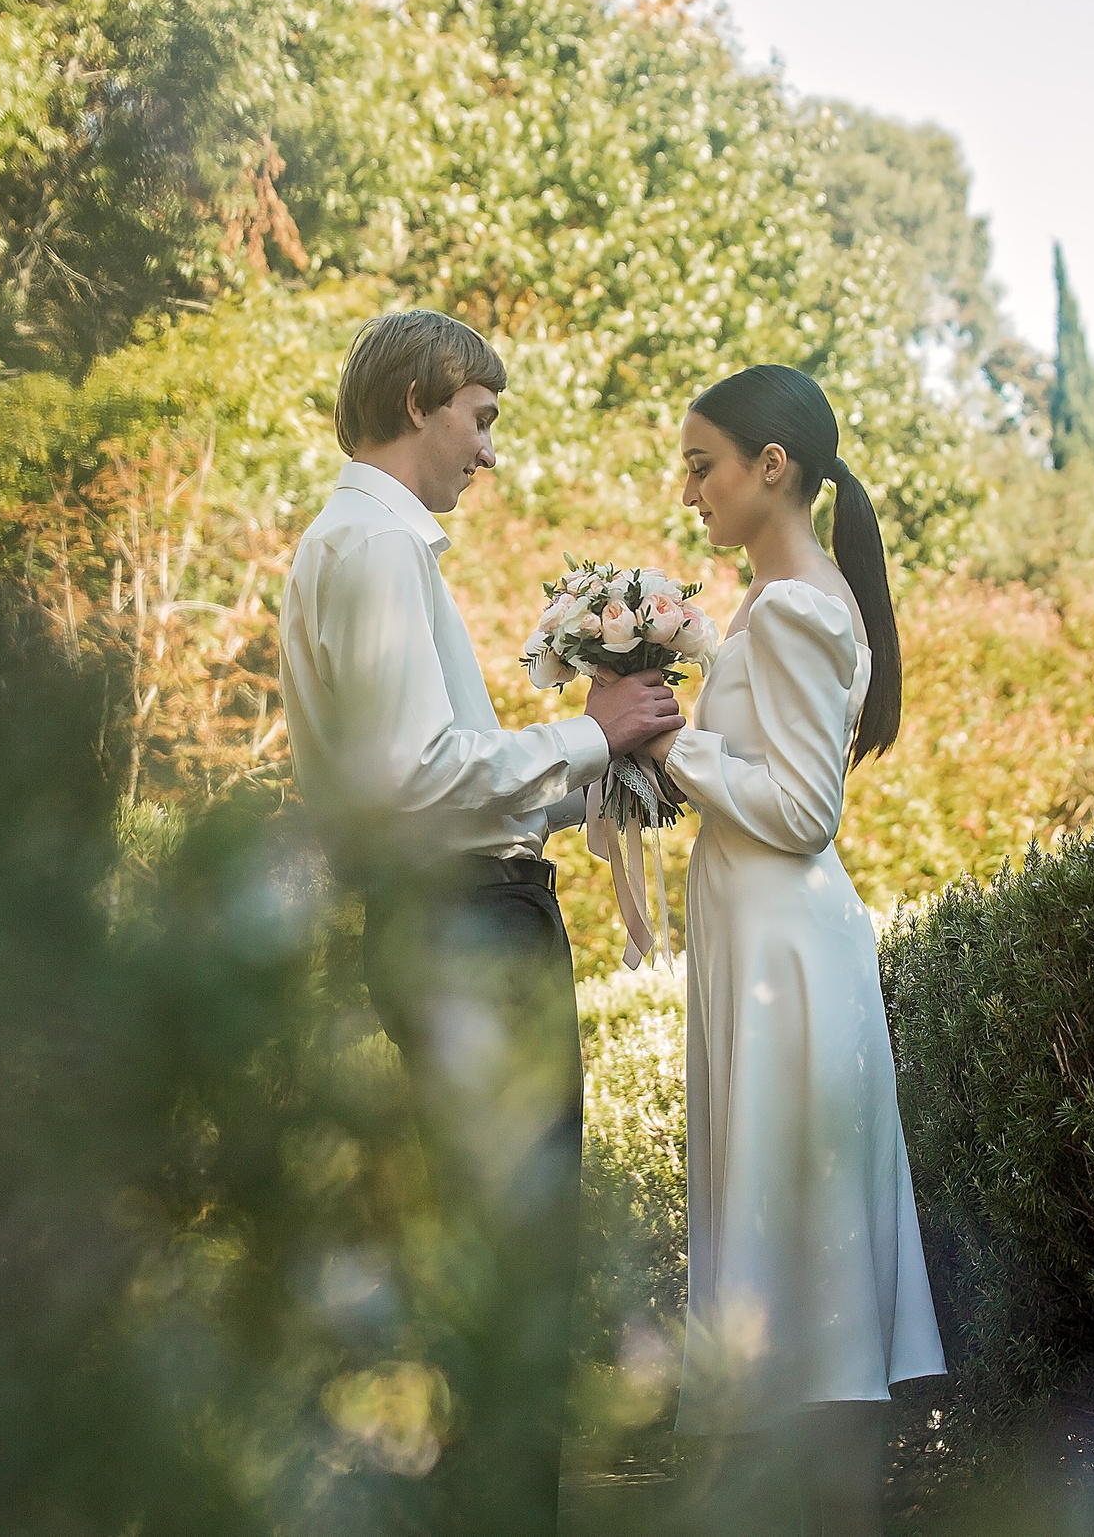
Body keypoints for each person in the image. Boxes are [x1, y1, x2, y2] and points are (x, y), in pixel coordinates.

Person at [278, 309, 686, 1534]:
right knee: (513, 1277)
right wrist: (588, 731)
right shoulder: (377, 550)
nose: (487, 450)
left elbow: (434, 783)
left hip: (445, 914)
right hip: (467, 933)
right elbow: (419, 782)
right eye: (481, 417)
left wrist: (593, 773)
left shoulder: (351, 545)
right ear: (419, 403)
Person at [639, 364, 947, 1535]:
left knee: (806, 1255)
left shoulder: (805, 605)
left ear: (773, 467)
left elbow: (806, 806)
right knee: (782, 1247)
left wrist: (672, 749)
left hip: (790, 968)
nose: (690, 490)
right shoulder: (772, 603)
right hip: (757, 947)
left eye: (701, 463)